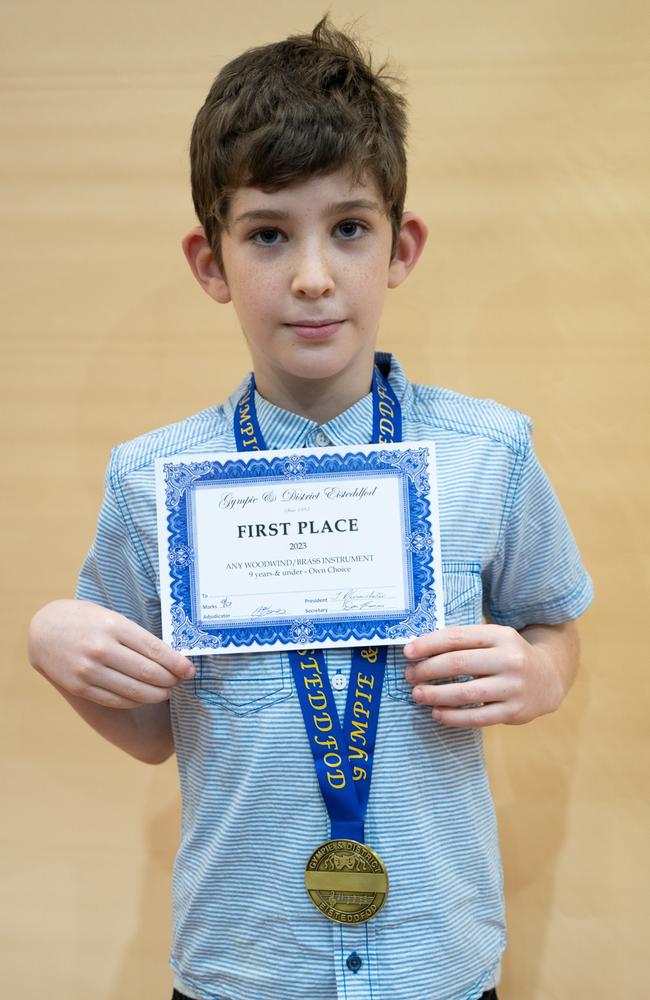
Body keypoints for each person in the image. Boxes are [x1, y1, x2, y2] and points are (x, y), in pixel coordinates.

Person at [28, 18, 592, 1000]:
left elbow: (553, 623)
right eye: (267, 234)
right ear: (211, 262)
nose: (312, 276)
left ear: (398, 245)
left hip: (437, 963)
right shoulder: (151, 481)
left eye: (347, 227)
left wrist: (541, 673)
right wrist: (55, 646)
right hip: (243, 966)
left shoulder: (486, 454)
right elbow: (155, 726)